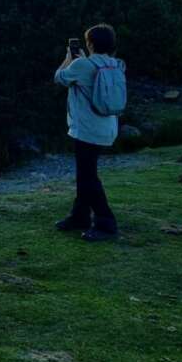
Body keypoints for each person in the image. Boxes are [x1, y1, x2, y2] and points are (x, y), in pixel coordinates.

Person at [53, 23, 123, 241]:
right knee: (85, 173)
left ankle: (106, 223)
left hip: (87, 130)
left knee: (88, 177)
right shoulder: (115, 64)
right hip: (107, 127)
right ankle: (79, 216)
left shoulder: (83, 64)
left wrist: (69, 57)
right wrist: (81, 60)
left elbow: (59, 78)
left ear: (90, 43)